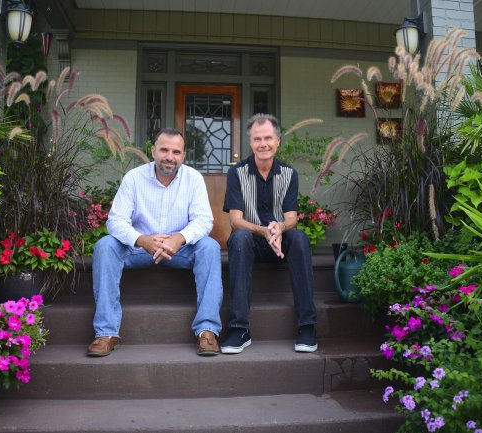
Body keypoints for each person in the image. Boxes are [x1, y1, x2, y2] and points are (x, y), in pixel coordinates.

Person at [87, 127, 223, 357]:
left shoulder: (193, 179)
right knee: (105, 246)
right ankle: (106, 332)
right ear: (153, 151)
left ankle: (207, 330)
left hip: (179, 250)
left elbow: (204, 220)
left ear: (183, 156)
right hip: (140, 249)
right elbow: (116, 220)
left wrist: (179, 238)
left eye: (176, 152)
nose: (170, 156)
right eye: (164, 150)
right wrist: (142, 240)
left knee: (210, 247)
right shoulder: (134, 178)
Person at [221, 113, 318, 354]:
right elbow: (235, 220)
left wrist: (279, 228)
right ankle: (238, 328)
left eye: (268, 138)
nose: (262, 144)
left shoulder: (289, 174)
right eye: (257, 139)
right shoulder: (237, 173)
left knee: (299, 237)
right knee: (240, 237)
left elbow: (291, 218)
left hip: (280, 245)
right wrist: (264, 231)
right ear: (250, 143)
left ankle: (307, 326)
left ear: (278, 141)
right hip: (250, 243)